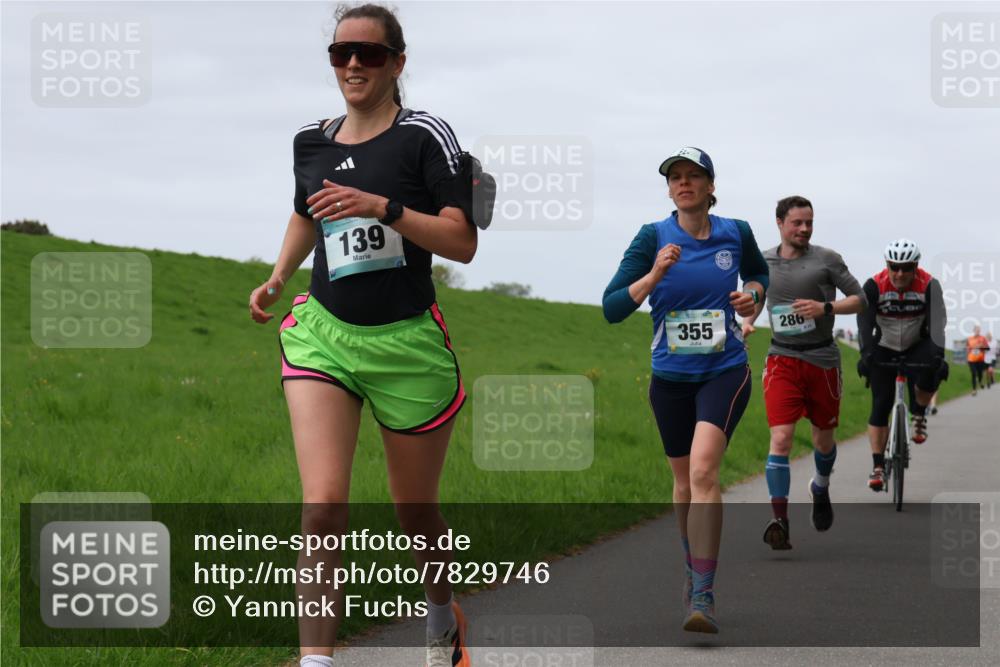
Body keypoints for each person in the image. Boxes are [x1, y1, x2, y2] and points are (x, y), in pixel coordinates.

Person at [248, 5, 476, 666]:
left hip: (407, 345)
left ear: (397, 63)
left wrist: (385, 208)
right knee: (321, 505)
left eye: (369, 54)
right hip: (324, 335)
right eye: (341, 52)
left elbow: (462, 241)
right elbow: (304, 213)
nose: (353, 64)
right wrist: (278, 274)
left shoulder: (426, 136)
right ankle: (317, 661)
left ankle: (441, 612)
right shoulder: (310, 141)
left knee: (416, 512)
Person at [603, 147, 768, 634]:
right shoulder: (652, 237)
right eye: (675, 177)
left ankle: (704, 592)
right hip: (670, 379)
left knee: (702, 473)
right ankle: (692, 566)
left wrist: (752, 297)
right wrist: (653, 274)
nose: (683, 183)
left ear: (711, 186)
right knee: (682, 485)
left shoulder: (736, 233)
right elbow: (611, 307)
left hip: (725, 370)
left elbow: (760, 276)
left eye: (693, 176)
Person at [742, 196, 865, 549]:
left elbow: (859, 299)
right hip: (782, 358)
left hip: (822, 358)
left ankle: (820, 486)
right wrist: (748, 323)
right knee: (780, 438)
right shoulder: (762, 261)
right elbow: (758, 298)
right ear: (780, 223)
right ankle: (779, 518)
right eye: (797, 223)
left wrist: (825, 306)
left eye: (809, 222)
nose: (804, 229)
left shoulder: (827, 259)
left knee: (823, 440)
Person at [856, 239, 948, 492]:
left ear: (915, 266)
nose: (900, 273)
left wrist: (938, 355)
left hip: (917, 342)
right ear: (887, 265)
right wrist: (865, 354)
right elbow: (864, 321)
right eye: (894, 267)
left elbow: (938, 324)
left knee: (933, 369)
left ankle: (918, 412)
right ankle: (877, 466)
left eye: (906, 268)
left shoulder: (929, 284)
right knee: (881, 403)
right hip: (884, 344)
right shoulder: (874, 285)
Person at [967, 325, 990, 395]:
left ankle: (980, 381)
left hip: (980, 360)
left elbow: (988, 348)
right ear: (974, 331)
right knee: (973, 373)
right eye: (976, 330)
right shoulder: (969, 339)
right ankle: (974, 390)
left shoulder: (983, 338)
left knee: (980, 374)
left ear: (980, 331)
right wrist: (972, 348)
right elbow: (968, 348)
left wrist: (981, 347)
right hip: (971, 359)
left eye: (978, 330)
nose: (977, 331)